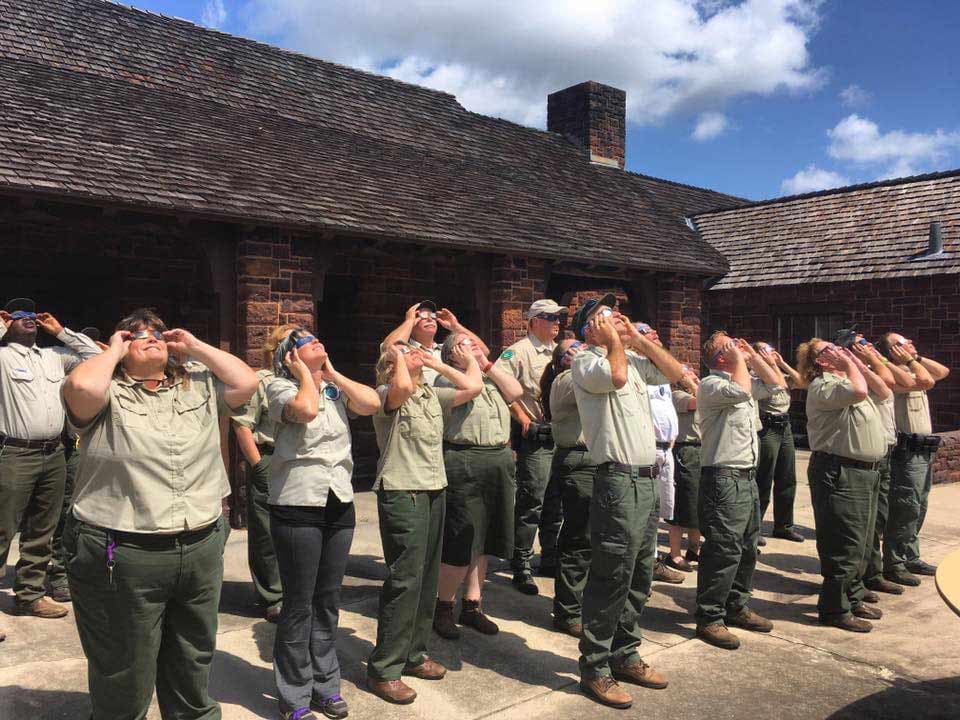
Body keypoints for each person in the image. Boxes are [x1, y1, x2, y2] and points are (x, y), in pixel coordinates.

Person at [61, 308, 257, 720]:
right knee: (124, 667)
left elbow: (246, 381)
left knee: (193, 654)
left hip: (201, 543)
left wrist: (195, 347)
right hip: (125, 550)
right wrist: (113, 350)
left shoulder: (198, 384)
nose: (150, 337)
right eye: (137, 334)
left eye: (157, 333)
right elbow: (81, 386)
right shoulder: (106, 389)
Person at [570, 294, 684, 709]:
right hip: (617, 481)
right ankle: (595, 667)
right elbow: (615, 377)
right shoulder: (586, 361)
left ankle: (626, 654)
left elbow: (675, 373)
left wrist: (638, 339)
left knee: (640, 575)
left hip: (647, 479)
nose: (617, 317)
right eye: (606, 315)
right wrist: (617, 342)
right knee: (612, 575)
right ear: (589, 330)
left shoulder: (631, 358)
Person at [266, 327, 381, 720]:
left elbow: (371, 403)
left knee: (328, 601)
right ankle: (294, 695)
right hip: (298, 501)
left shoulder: (333, 389)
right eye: (302, 340)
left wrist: (331, 374)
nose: (314, 340)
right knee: (299, 604)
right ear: (288, 355)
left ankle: (325, 684)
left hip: (338, 501)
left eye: (315, 336)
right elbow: (305, 411)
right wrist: (303, 375)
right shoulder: (279, 387)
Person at [367, 341, 482, 704]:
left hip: (434, 489)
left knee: (428, 577)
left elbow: (473, 386)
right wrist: (398, 355)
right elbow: (401, 386)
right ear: (390, 363)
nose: (413, 351)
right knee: (405, 580)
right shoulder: (386, 392)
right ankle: (385, 668)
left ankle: (414, 654)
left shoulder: (431, 394)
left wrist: (439, 364)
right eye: (404, 351)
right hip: (403, 491)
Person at [0, 298, 100, 621]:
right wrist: (1, 326)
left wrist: (61, 331)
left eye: (32, 313)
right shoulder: (3, 357)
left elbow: (95, 357)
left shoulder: (54, 357)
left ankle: (29, 595)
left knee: (42, 530)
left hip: (54, 453)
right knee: (2, 528)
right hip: (15, 453)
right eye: (18, 314)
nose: (28, 317)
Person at [694, 333, 783, 650]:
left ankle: (736, 605)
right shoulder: (712, 385)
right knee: (723, 550)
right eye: (729, 345)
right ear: (721, 357)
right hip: (723, 477)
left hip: (745, 477)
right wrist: (739, 359)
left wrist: (753, 356)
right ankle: (710, 617)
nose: (738, 346)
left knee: (747, 547)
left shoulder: (741, 379)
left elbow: (776, 384)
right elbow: (743, 390)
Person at [432, 330, 522, 639]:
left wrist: (487, 364)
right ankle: (443, 605)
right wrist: (471, 363)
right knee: (462, 538)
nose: (472, 346)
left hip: (497, 458)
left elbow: (515, 391)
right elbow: (472, 389)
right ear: (451, 353)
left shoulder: (489, 375)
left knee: (485, 539)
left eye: (473, 343)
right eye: (463, 344)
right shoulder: (447, 378)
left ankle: (472, 605)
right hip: (465, 458)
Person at [800, 338, 891, 632]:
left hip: (865, 472)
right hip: (840, 471)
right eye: (829, 350)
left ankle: (852, 597)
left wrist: (858, 363)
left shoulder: (849, 379)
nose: (838, 351)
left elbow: (884, 390)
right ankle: (834, 609)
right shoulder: (822, 386)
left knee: (862, 542)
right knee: (844, 543)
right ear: (820, 361)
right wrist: (851, 365)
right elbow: (861, 392)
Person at [494, 298, 567, 594]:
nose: (556, 323)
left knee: (555, 502)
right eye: (550, 317)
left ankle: (550, 556)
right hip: (536, 436)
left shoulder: (561, 351)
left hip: (560, 435)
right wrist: (520, 415)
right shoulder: (519, 351)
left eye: (558, 318)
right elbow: (497, 383)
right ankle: (521, 562)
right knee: (531, 501)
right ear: (534, 321)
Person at [835, 329, 914, 598]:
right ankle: (863, 577)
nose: (869, 346)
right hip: (869, 455)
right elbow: (888, 382)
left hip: (885, 450)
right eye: (862, 344)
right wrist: (867, 359)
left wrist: (873, 358)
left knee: (878, 518)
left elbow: (906, 380)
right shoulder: (855, 376)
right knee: (865, 524)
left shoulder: (871, 369)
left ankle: (872, 573)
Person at [877, 331, 950, 586]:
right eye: (901, 343)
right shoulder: (892, 374)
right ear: (891, 351)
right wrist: (908, 361)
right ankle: (894, 562)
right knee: (905, 506)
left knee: (919, 505)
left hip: (923, 450)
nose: (909, 343)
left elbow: (942, 371)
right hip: (906, 450)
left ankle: (910, 555)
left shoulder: (913, 368)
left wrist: (914, 358)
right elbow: (926, 380)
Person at [232, 325, 293, 623]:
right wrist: (258, 466)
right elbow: (243, 425)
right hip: (269, 456)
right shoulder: (261, 381)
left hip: (299, 461)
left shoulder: (306, 381)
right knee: (266, 532)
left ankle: (296, 590)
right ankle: (273, 596)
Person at [541, 337, 593, 638]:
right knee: (579, 538)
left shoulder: (585, 373)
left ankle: (583, 602)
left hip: (599, 460)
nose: (584, 349)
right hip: (579, 460)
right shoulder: (566, 380)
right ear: (563, 360)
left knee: (595, 537)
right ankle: (568, 611)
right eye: (577, 348)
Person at [635, 323, 685, 584]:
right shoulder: (635, 368)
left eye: (654, 331)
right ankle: (647, 563)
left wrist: (672, 435)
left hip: (666, 450)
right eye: (646, 332)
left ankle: (651, 560)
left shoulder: (660, 370)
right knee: (644, 512)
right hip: (647, 449)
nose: (655, 334)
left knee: (658, 511)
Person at [752, 342, 804, 545]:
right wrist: (770, 365)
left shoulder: (779, 371)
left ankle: (784, 526)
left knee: (787, 478)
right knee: (764, 479)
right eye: (766, 350)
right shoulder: (756, 375)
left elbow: (801, 382)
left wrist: (781, 363)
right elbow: (777, 384)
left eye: (772, 349)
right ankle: (755, 529)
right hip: (768, 427)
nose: (772, 353)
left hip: (785, 426)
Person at [381, 301, 489, 385]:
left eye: (432, 315)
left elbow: (483, 352)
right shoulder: (407, 352)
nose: (430, 319)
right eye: (423, 315)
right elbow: (389, 349)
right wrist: (409, 321)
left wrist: (455, 326)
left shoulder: (447, 349)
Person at [665, 366, 702, 570]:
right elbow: (702, 402)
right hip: (686, 450)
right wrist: (694, 385)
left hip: (701, 450)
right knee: (681, 505)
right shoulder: (677, 396)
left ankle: (695, 548)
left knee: (697, 504)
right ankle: (674, 554)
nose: (694, 375)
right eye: (688, 373)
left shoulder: (697, 391)